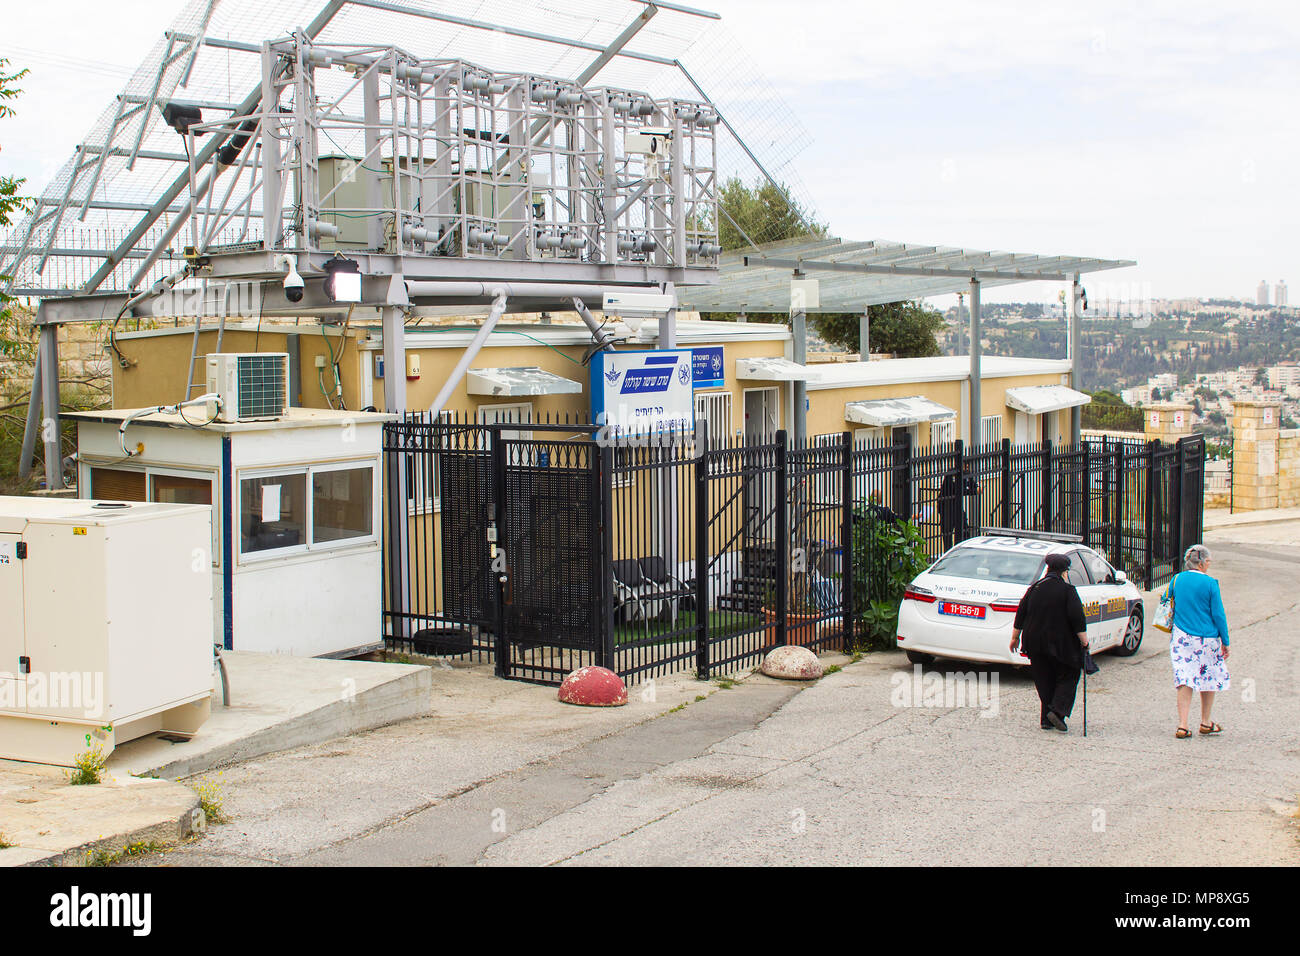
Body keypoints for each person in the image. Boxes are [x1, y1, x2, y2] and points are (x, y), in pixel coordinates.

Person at [1009, 552, 1089, 732]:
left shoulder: (1035, 588)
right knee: (1069, 674)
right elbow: (1077, 619)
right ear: (1064, 572)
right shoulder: (1068, 591)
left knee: (1044, 678)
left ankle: (1046, 719)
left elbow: (1021, 613)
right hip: (1061, 643)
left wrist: (1014, 638)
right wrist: (1084, 642)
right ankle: (1058, 711)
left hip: (1034, 642)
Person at [1167, 544, 1230, 739]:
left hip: (1181, 637)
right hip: (1207, 638)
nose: (1209, 565)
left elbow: (1166, 601)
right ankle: (1205, 722)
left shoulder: (1176, 580)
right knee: (1208, 678)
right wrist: (1225, 641)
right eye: (1208, 561)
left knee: (1184, 679)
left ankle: (1183, 725)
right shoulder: (1211, 584)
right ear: (1202, 563)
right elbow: (1218, 614)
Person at [938, 460, 977, 550]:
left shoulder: (966, 474)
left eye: (967, 466)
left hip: (957, 506)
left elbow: (973, 486)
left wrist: (976, 488)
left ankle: (963, 549)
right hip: (946, 506)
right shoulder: (952, 474)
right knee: (947, 533)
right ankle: (948, 551)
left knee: (964, 529)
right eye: (965, 466)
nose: (966, 468)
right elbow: (956, 490)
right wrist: (972, 491)